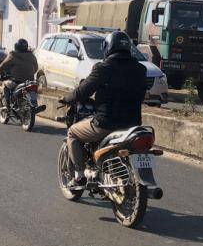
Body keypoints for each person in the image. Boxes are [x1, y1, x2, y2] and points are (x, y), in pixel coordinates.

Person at [60, 31, 148, 187]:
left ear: (108, 47)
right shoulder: (141, 69)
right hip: (132, 125)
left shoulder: (103, 68)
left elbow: (82, 92)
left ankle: (80, 176)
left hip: (106, 124)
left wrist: (66, 99)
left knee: (73, 132)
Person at [0, 38, 38, 107]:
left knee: (6, 84)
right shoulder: (32, 56)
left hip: (17, 81)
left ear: (16, 46)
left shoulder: (13, 55)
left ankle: (8, 105)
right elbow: (36, 68)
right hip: (30, 81)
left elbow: (4, 65)